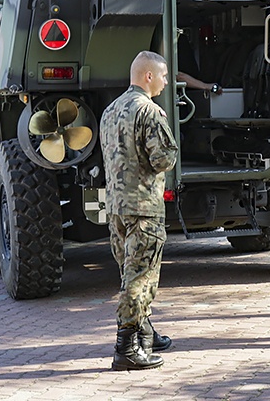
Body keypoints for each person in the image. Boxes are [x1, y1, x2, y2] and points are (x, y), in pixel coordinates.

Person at [100, 50, 179, 370]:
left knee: (129, 272)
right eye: (162, 75)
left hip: (117, 207)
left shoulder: (110, 110)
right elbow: (163, 159)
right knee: (140, 278)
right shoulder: (149, 111)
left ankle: (144, 331)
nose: (165, 81)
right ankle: (127, 347)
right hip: (144, 208)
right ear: (148, 76)